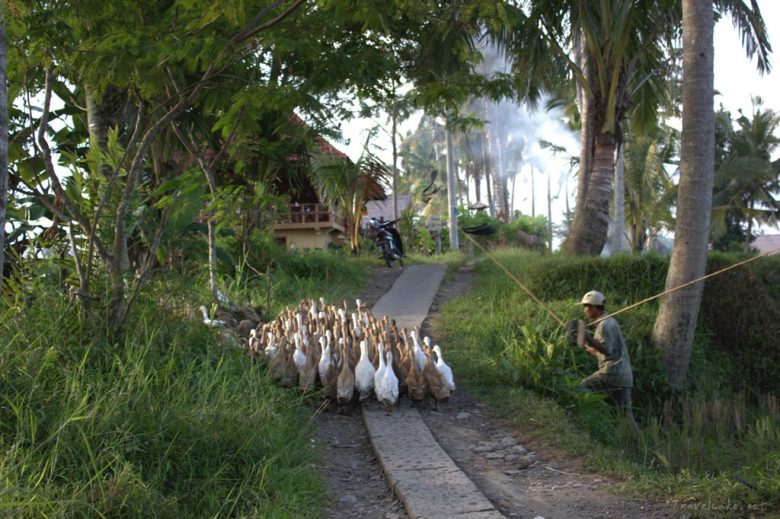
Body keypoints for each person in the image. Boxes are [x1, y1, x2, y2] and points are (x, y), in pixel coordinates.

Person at [568, 290, 634, 409]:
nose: (584, 310)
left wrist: (586, 336)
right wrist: (588, 347)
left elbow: (606, 351)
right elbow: (609, 352)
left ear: (593, 307)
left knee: (581, 388)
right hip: (624, 375)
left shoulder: (604, 325)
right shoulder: (611, 321)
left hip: (611, 373)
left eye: (585, 306)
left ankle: (581, 416)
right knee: (625, 415)